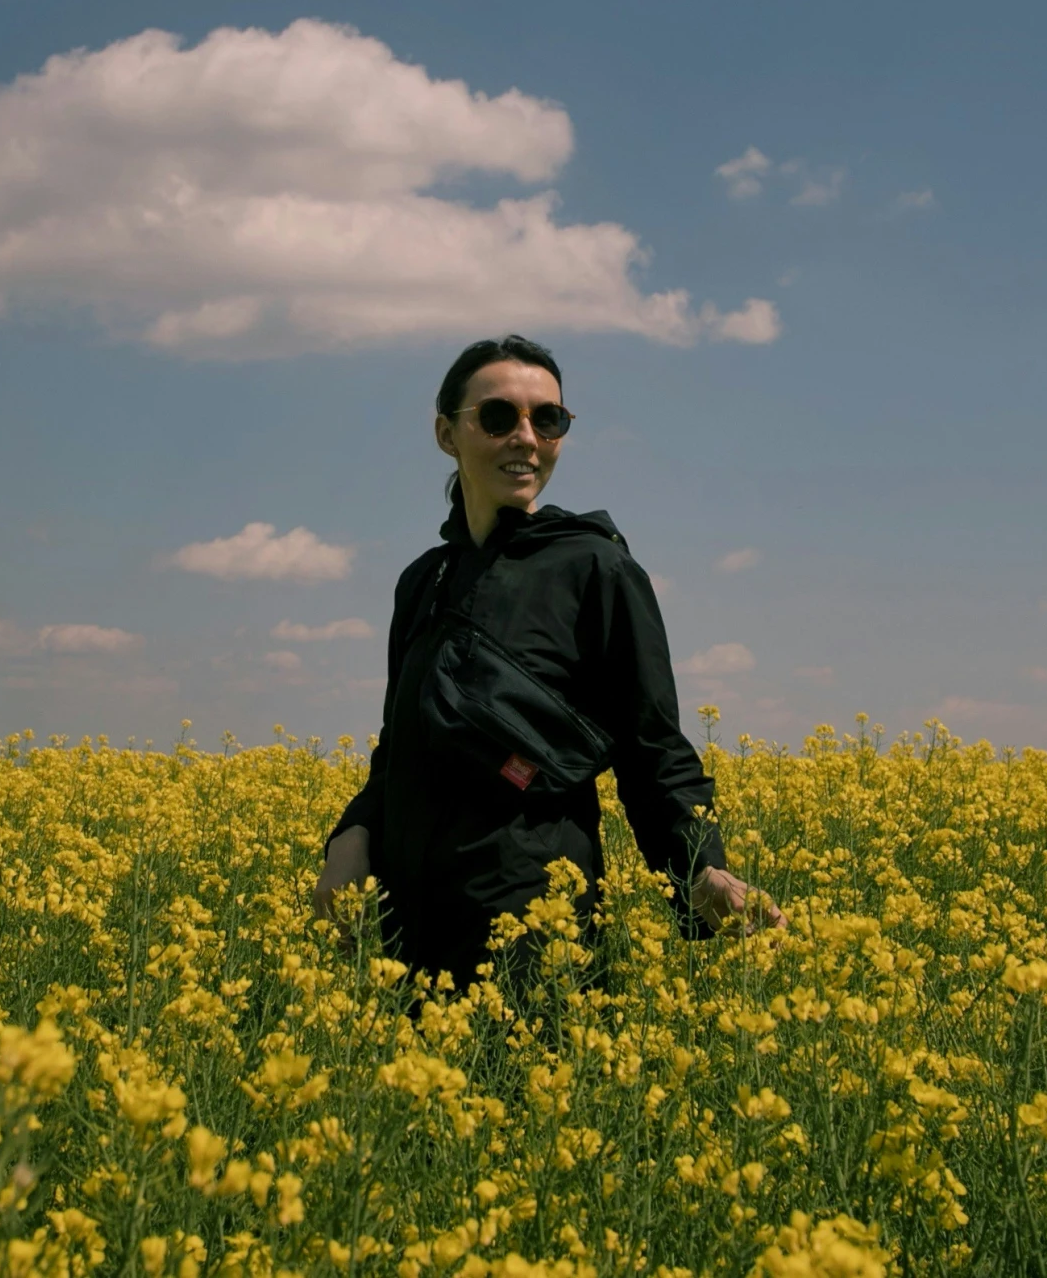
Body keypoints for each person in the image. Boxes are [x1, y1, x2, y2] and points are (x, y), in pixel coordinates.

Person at [311, 334, 782, 983]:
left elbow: (652, 746)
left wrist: (701, 867)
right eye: (499, 416)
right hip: (407, 938)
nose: (526, 437)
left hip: (534, 935)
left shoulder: (594, 567)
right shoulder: (424, 581)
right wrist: (350, 836)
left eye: (548, 418)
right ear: (447, 434)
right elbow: (401, 748)